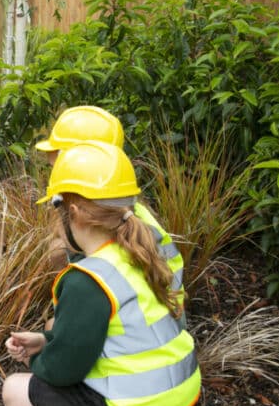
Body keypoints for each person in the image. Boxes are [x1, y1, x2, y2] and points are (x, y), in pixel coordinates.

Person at [2, 142, 200, 406]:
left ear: (74, 213)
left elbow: (63, 371)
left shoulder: (88, 280)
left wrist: (36, 359)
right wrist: (46, 340)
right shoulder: (142, 250)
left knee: (13, 391)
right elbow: (116, 336)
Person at [36, 106, 187, 329]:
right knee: (58, 249)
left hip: (145, 324)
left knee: (52, 329)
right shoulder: (119, 207)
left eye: (57, 163)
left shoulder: (101, 220)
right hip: (163, 317)